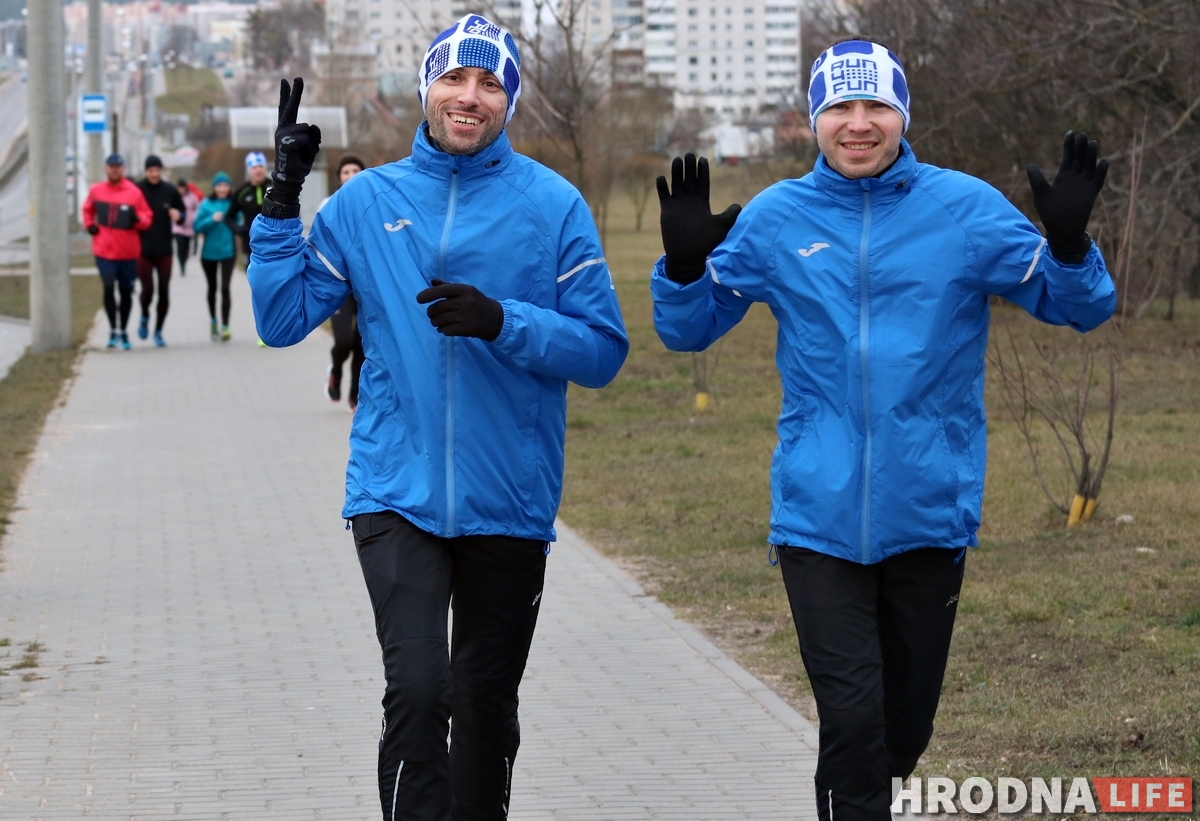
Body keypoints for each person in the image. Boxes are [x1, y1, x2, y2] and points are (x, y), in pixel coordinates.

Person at [650, 37, 1115, 821]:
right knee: (855, 726)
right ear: (815, 119)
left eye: (875, 107)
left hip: (928, 511)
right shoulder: (775, 218)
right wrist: (687, 270)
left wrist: (1068, 248)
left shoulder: (961, 209)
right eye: (840, 107)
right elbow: (687, 331)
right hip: (816, 517)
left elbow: (1081, 306)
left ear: (902, 115)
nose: (858, 124)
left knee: (903, 730)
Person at [247, 14, 629, 819]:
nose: (470, 96)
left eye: (490, 83)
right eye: (455, 79)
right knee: (419, 692)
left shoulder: (552, 206)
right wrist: (281, 202)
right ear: (427, 89)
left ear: (509, 101)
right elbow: (281, 318)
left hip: (510, 499)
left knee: (484, 709)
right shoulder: (367, 202)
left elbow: (602, 351)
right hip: (396, 489)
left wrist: (505, 320)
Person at [81, 153, 154, 350]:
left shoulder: (133, 192)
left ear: (123, 169)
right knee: (108, 285)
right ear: (106, 169)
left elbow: (147, 215)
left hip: (128, 252)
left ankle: (123, 330)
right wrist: (90, 225)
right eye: (111, 166)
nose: (114, 169)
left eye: (118, 166)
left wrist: (140, 221)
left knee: (126, 291)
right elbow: (87, 210)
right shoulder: (96, 190)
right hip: (103, 249)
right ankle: (113, 329)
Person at [318, 153, 366, 411]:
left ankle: (355, 394)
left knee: (362, 341)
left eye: (355, 171)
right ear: (339, 177)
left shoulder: (375, 204)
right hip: (339, 285)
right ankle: (335, 370)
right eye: (346, 172)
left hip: (367, 284)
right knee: (344, 340)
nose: (350, 176)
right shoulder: (329, 204)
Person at [135, 155, 186, 346]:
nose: (154, 174)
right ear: (145, 172)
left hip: (165, 248)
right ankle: (144, 315)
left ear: (162, 171)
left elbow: (182, 214)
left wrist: (178, 216)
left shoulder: (170, 190)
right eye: (151, 170)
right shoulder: (138, 190)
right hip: (143, 248)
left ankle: (158, 330)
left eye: (157, 170)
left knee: (164, 291)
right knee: (147, 290)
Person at [193, 171, 238, 341]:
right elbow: (196, 227)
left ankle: (225, 325)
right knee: (212, 287)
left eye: (225, 185)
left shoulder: (232, 203)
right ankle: (213, 320)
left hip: (229, 252)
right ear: (214, 187)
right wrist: (212, 219)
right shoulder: (206, 204)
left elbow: (239, 221)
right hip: (209, 253)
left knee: (225, 288)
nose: (222, 188)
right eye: (219, 185)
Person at [228, 151, 269, 261]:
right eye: (254, 167)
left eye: (261, 166)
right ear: (248, 170)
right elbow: (228, 217)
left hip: (274, 241)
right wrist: (239, 229)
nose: (258, 170)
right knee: (254, 276)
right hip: (251, 243)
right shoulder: (242, 192)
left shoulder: (275, 187)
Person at [173, 177, 202, 277]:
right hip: (178, 226)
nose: (181, 190)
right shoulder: (174, 196)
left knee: (185, 247)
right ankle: (181, 265)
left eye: (182, 188)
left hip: (189, 226)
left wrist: (193, 217)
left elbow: (197, 208)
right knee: (180, 246)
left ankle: (185, 259)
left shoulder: (192, 196)